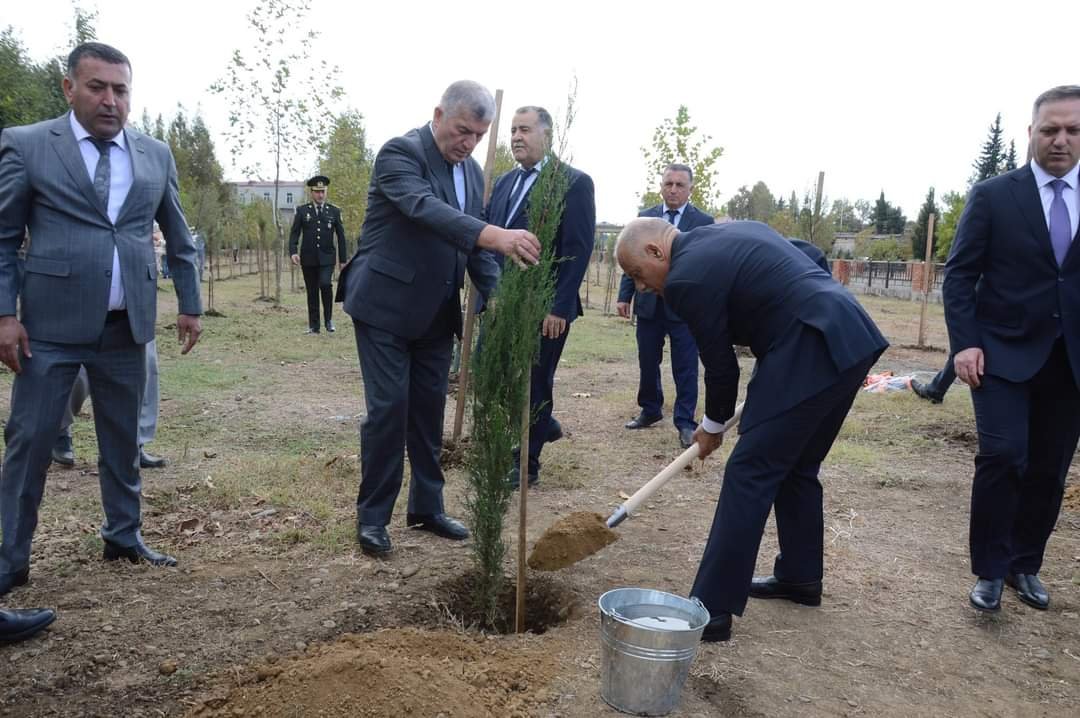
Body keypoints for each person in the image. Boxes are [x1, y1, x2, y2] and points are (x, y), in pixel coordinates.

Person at [615, 218, 887, 642]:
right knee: (796, 465)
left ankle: (712, 608)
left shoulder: (685, 278)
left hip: (808, 346)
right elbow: (808, 254)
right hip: (849, 330)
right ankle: (800, 577)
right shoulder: (728, 232)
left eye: (637, 275)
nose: (642, 287)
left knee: (749, 471)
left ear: (655, 251)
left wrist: (711, 427)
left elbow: (720, 366)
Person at [0, 42, 203, 596]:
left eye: (121, 90)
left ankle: (123, 535)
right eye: (97, 87)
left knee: (122, 441)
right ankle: (9, 562)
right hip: (50, 330)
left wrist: (189, 303)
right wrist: (3, 315)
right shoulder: (28, 145)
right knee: (30, 443)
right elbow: (2, 238)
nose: (111, 101)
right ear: (69, 88)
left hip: (125, 328)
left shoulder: (154, 154)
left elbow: (180, 238)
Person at [339, 80, 541, 557]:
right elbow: (426, 211)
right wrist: (496, 234)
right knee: (390, 410)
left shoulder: (471, 173)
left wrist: (498, 296)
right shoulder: (399, 154)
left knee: (428, 412)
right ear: (438, 115)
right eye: (461, 130)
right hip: (385, 308)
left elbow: (471, 248)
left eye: (477, 134)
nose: (468, 142)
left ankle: (426, 507)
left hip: (435, 313)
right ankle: (373, 519)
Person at [943, 85, 1080, 613]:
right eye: (1050, 130)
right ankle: (991, 570)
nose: (1061, 140)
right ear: (1032, 135)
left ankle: (1026, 562)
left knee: (1050, 468)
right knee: (1004, 456)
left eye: (1072, 130)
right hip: (1000, 353)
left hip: (1070, 361)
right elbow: (960, 276)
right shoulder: (995, 196)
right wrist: (966, 343)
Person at [487, 106, 594, 487]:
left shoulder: (573, 182)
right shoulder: (501, 184)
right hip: (503, 302)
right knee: (493, 373)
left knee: (535, 379)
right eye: (513, 130)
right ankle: (543, 423)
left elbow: (577, 248)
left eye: (525, 130)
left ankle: (526, 462)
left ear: (546, 135)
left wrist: (559, 306)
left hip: (546, 305)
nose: (516, 136)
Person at [53, 226, 168, 469]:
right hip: (80, 279)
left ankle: (135, 442)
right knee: (76, 368)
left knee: (146, 365)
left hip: (133, 283)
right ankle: (58, 430)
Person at [617, 164, 714, 448]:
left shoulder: (702, 221)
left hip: (684, 309)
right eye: (668, 183)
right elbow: (630, 262)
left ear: (690, 189)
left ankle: (685, 422)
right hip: (648, 304)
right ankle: (650, 409)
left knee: (685, 365)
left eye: (679, 185)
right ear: (661, 185)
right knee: (648, 359)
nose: (673, 189)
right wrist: (625, 296)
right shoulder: (643, 218)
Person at [289, 175, 347, 333]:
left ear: (326, 191)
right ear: (311, 192)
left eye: (323, 191)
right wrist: (293, 251)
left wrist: (343, 260)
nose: (320, 195)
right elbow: (294, 233)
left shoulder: (334, 211)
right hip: (308, 258)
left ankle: (328, 320)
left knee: (325, 284)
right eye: (317, 192)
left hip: (327, 258)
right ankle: (314, 326)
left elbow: (341, 236)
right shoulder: (302, 211)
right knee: (312, 291)